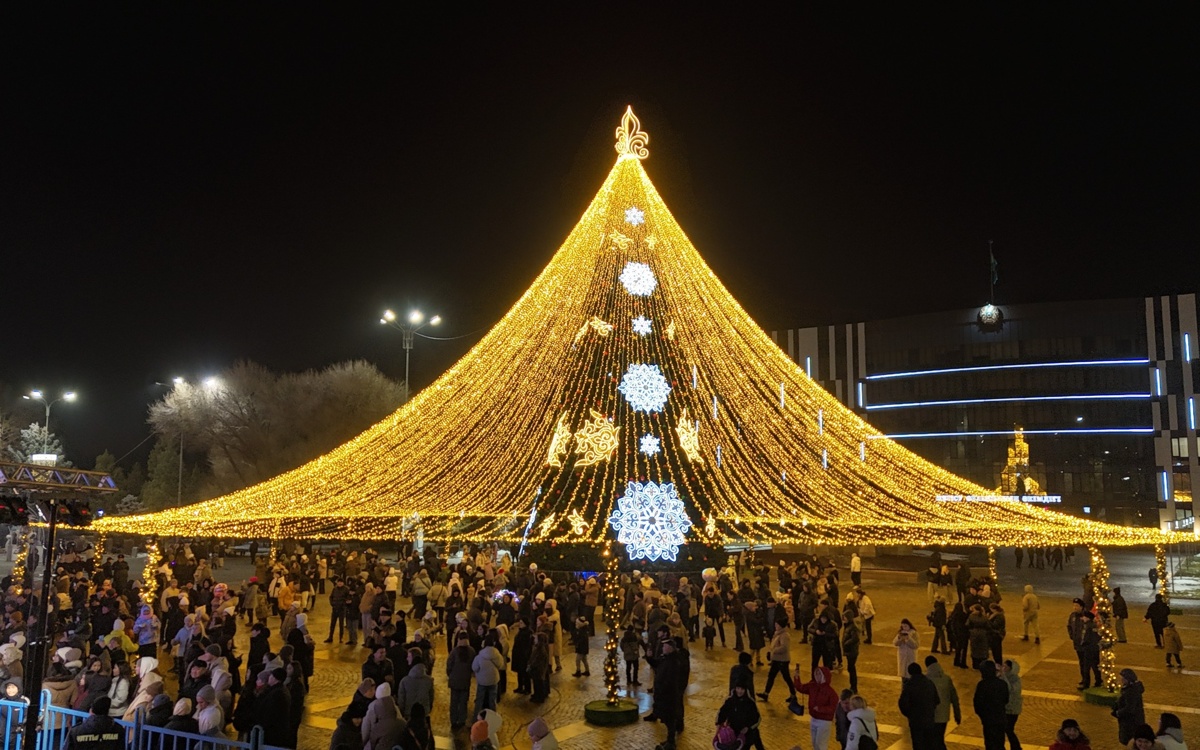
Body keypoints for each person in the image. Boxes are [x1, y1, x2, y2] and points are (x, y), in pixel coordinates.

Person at [793, 665, 838, 750]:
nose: (817, 676)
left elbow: (834, 707)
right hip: (814, 719)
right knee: (815, 743)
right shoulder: (812, 686)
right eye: (816, 674)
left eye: (819, 674)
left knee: (820, 745)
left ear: (824, 676)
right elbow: (801, 688)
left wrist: (820, 709)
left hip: (824, 721)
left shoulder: (831, 692)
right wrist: (796, 677)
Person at [898, 662, 939, 749]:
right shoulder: (929, 683)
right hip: (929, 719)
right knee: (929, 743)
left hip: (916, 721)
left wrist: (910, 714)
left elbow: (903, 703)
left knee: (918, 744)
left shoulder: (909, 685)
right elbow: (937, 700)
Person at [924, 656, 960, 750]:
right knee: (939, 739)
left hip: (931, 716)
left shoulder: (926, 680)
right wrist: (957, 714)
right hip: (944, 716)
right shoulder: (946, 679)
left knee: (931, 741)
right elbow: (954, 698)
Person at [973, 661, 1009, 750]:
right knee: (1000, 743)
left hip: (988, 720)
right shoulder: (1002, 684)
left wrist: (982, 716)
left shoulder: (982, 685)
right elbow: (1006, 699)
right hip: (1000, 718)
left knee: (990, 743)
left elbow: (977, 703)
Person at [716, 683, 763, 750]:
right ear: (735, 688)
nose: (740, 691)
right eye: (738, 688)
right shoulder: (730, 701)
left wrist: (748, 727)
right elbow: (723, 712)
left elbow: (756, 718)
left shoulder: (750, 703)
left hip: (748, 734)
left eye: (742, 689)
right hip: (734, 733)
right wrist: (719, 723)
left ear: (745, 690)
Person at [758, 621, 796, 702]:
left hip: (782, 660)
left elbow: (784, 648)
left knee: (786, 677)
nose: (775, 626)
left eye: (777, 624)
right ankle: (766, 693)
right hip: (776, 659)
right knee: (771, 676)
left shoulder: (784, 635)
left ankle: (793, 694)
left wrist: (774, 651)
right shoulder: (777, 633)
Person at [1113, 668, 1146, 746]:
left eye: (1123, 678)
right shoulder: (1131, 689)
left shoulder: (1131, 691)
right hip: (1132, 721)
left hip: (1131, 723)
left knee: (1131, 743)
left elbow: (1130, 708)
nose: (1121, 680)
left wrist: (1118, 712)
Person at [1001, 659, 1023, 750]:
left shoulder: (1016, 679)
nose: (1003, 668)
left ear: (1011, 669)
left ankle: (1016, 747)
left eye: (1005, 667)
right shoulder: (1003, 677)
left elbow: (1009, 689)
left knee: (1008, 729)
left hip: (1012, 710)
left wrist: (1003, 676)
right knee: (1005, 729)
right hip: (1005, 708)